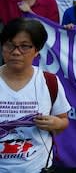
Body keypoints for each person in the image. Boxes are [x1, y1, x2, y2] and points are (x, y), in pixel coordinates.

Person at [0, 17, 70, 172]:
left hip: (37, 167)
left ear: (37, 51)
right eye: (10, 45)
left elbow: (63, 120)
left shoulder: (49, 81)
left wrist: (55, 124)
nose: (16, 52)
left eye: (24, 46)